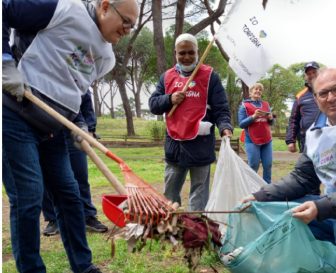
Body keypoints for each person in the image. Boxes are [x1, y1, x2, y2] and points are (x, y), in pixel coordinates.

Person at [2, 0, 138, 272]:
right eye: (125, 21)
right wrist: (5, 61)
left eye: (132, 27)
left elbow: (77, 87)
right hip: (15, 113)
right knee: (29, 196)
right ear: (105, 6)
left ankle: (83, 267)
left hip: (54, 129)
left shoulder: (107, 58)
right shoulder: (63, 9)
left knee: (69, 196)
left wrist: (82, 125)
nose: (127, 30)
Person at [243, 68, 336, 273]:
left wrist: (321, 208)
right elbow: (302, 178)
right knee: (280, 211)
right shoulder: (315, 131)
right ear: (315, 99)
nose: (331, 97)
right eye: (323, 93)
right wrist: (260, 196)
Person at [148, 33, 233, 211]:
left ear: (197, 52)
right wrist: (170, 99)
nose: (186, 57)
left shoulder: (211, 77)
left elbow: (221, 108)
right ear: (175, 54)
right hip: (175, 146)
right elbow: (153, 105)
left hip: (201, 145)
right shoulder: (167, 77)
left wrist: (225, 127)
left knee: (199, 193)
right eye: (182, 53)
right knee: (170, 195)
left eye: (190, 53)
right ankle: (171, 229)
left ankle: (196, 230)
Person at [42, 92, 108, 236]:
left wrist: (89, 129)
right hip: (46, 129)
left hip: (75, 130)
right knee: (48, 178)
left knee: (80, 174)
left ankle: (87, 216)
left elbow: (86, 102)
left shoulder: (78, 78)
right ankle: (53, 219)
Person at [238, 83, 275, 183]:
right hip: (251, 140)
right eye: (256, 89)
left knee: (268, 164)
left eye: (260, 90)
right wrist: (253, 116)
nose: (258, 91)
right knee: (254, 165)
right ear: (250, 92)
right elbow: (241, 124)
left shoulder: (266, 105)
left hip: (267, 139)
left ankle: (267, 188)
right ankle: (251, 186)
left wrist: (271, 119)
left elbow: (271, 123)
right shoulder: (244, 106)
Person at [285, 61, 320, 153]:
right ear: (305, 77)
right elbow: (293, 119)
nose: (311, 75)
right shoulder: (300, 96)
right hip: (307, 140)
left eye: (314, 72)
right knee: (307, 166)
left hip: (328, 137)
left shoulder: (329, 90)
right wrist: (290, 140)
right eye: (308, 73)